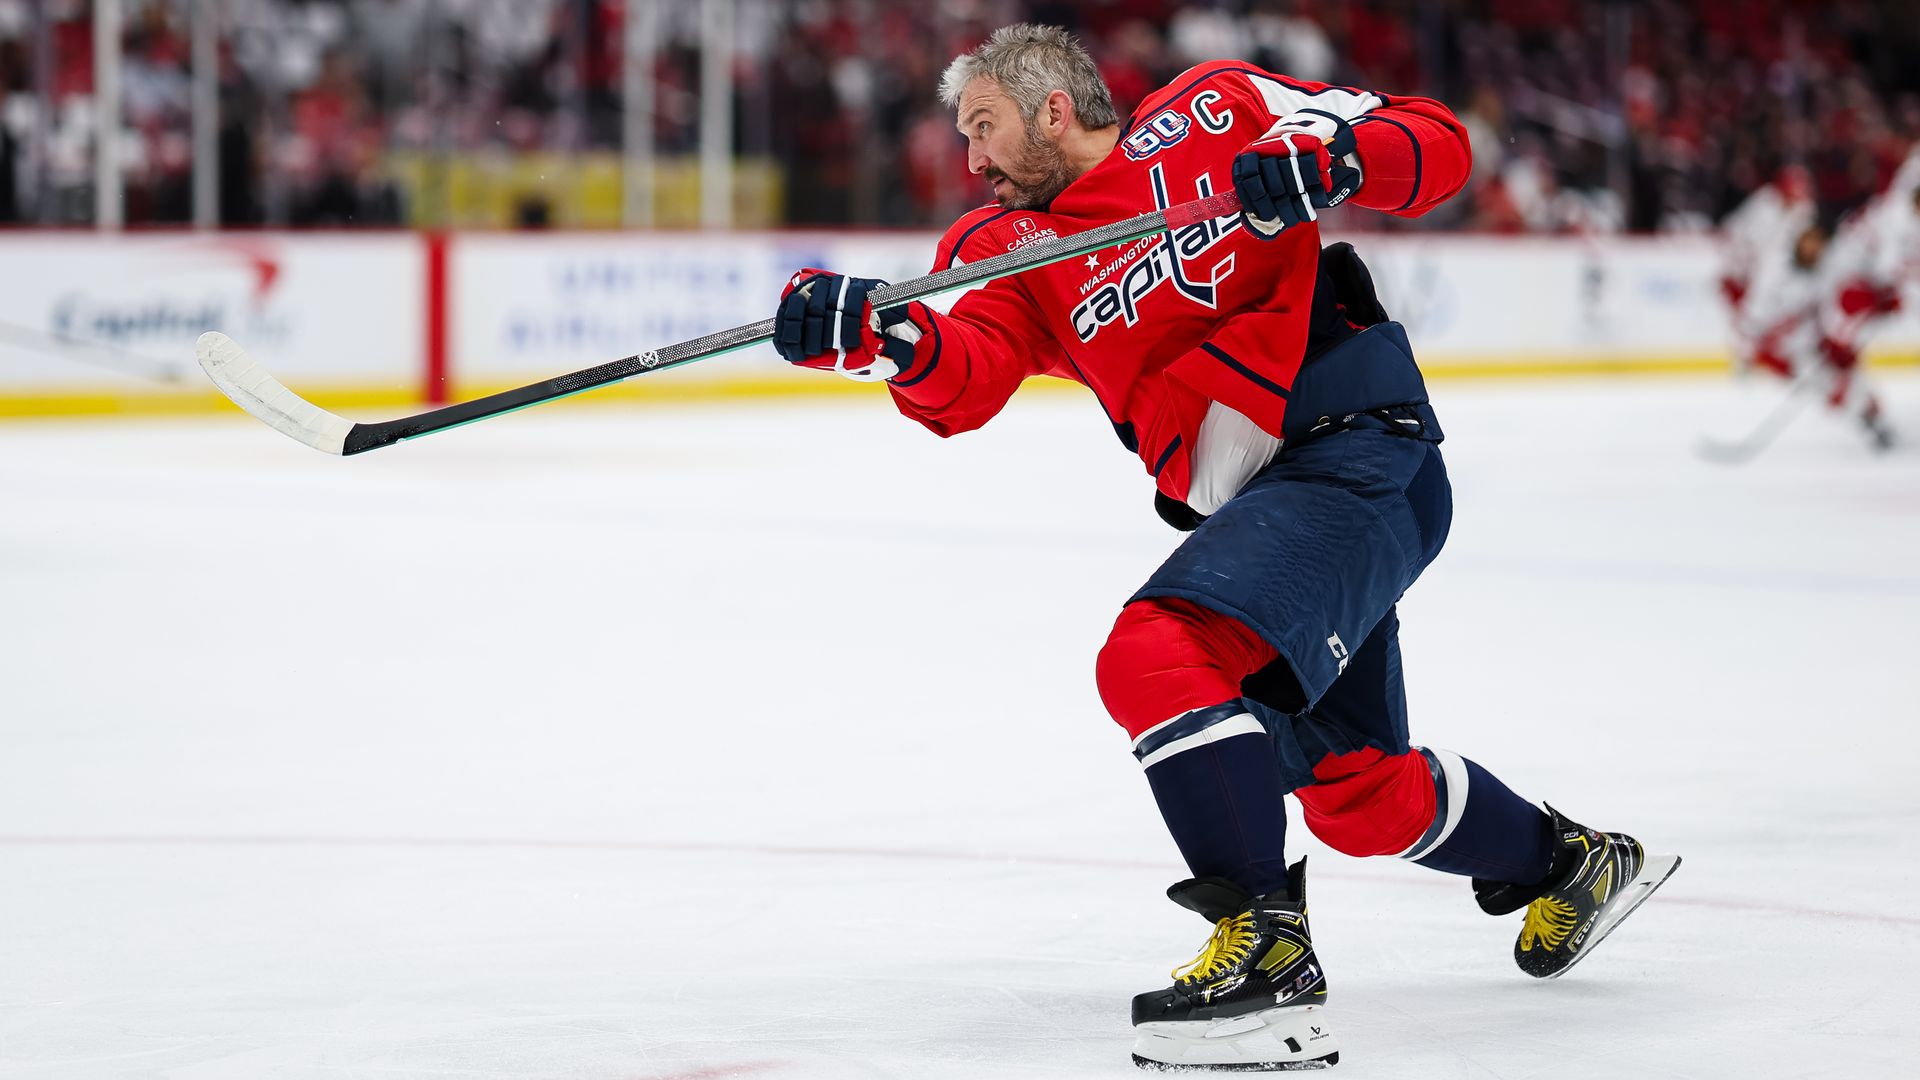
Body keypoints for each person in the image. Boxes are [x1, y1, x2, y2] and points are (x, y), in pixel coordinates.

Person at [771, 25, 1680, 1071]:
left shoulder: (1215, 107)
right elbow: (964, 370)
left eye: (983, 127)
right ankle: (1572, 865)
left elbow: (1433, 145)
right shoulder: (1000, 248)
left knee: (1155, 653)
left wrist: (1337, 162)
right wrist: (882, 340)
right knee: (1359, 796)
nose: (969, 161)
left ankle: (1266, 951)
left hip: (1358, 453)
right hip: (1270, 511)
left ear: (1052, 108)